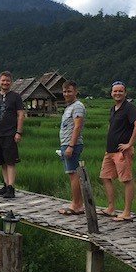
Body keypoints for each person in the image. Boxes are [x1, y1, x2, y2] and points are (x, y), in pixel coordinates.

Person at [99, 80, 136, 222]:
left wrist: (129, 144)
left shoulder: (129, 108)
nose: (117, 93)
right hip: (110, 151)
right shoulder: (113, 109)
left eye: (120, 91)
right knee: (105, 177)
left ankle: (126, 212)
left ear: (125, 93)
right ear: (111, 93)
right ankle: (111, 208)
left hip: (121, 152)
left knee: (126, 180)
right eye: (115, 91)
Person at [0, 71, 25, 199]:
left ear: (11, 82)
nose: (5, 83)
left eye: (7, 81)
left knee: (10, 162)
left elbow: (20, 114)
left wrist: (18, 132)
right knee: (2, 161)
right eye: (3, 80)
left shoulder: (15, 96)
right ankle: (5, 185)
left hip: (10, 133)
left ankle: (11, 188)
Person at [58, 80, 86, 215]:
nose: (66, 94)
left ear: (75, 91)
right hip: (66, 144)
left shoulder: (78, 106)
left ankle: (76, 205)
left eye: (69, 91)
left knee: (73, 174)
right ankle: (77, 204)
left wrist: (71, 146)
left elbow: (77, 126)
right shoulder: (69, 107)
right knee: (71, 173)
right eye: (64, 91)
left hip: (71, 145)